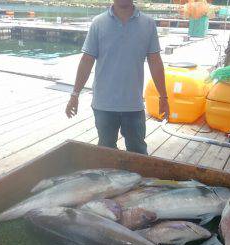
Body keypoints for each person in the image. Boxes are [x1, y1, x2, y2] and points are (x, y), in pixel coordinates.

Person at [65, 0, 169, 155]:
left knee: (138, 152)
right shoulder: (98, 23)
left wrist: (163, 96)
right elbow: (87, 61)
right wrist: (75, 94)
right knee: (106, 153)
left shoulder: (148, 24)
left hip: (134, 105)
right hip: (103, 105)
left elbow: (155, 62)